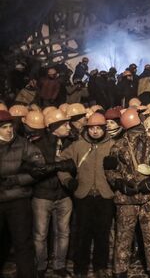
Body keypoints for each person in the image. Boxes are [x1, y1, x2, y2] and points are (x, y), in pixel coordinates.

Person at [105, 108, 150, 278]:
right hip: (148, 199)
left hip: (126, 199)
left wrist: (120, 184)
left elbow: (110, 171)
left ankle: (120, 272)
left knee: (123, 238)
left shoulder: (116, 145)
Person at [57, 113, 115, 278]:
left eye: (99, 128)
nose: (95, 131)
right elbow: (60, 163)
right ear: (87, 129)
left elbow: (123, 169)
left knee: (102, 234)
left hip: (105, 196)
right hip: (84, 196)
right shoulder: (78, 146)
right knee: (82, 233)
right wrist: (67, 180)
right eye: (92, 128)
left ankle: (100, 267)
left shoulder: (113, 145)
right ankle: (80, 267)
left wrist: (116, 175)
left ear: (104, 129)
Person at [0, 110, 45, 278]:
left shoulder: (23, 144)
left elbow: (39, 168)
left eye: (10, 126)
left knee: (23, 243)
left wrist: (18, 179)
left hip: (18, 200)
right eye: (4, 127)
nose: (8, 130)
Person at [31, 110, 76, 278]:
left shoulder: (71, 143)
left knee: (63, 232)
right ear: (54, 127)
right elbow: (37, 170)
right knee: (40, 234)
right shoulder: (38, 144)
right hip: (43, 195)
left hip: (63, 195)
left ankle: (59, 265)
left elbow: (74, 165)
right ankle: (41, 266)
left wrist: (60, 166)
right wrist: (59, 165)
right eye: (64, 124)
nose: (68, 126)